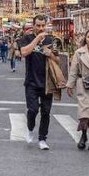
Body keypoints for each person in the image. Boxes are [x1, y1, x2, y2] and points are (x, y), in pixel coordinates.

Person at [18, 14, 58, 151]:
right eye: (38, 25)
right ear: (33, 25)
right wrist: (37, 39)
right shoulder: (26, 38)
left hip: (47, 81)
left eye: (43, 25)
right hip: (31, 81)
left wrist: (50, 54)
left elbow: (59, 60)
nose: (41, 28)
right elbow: (23, 52)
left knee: (46, 112)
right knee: (33, 110)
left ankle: (42, 139)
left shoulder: (51, 39)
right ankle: (30, 129)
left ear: (46, 25)